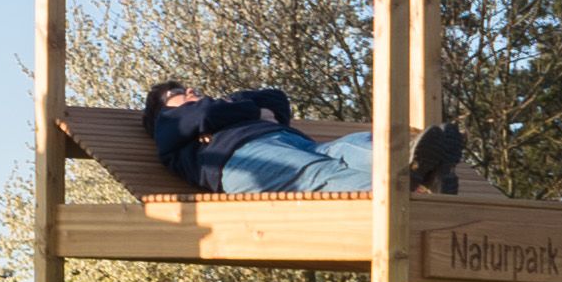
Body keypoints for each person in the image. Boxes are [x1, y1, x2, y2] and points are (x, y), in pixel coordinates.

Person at [143, 85, 466, 196]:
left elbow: (277, 100)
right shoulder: (168, 125)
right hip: (248, 160)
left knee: (348, 147)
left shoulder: (225, 106)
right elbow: (199, 116)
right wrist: (254, 114)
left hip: (297, 144)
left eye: (189, 88)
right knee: (319, 174)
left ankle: (417, 163)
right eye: (176, 93)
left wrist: (238, 110)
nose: (188, 92)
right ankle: (409, 194)